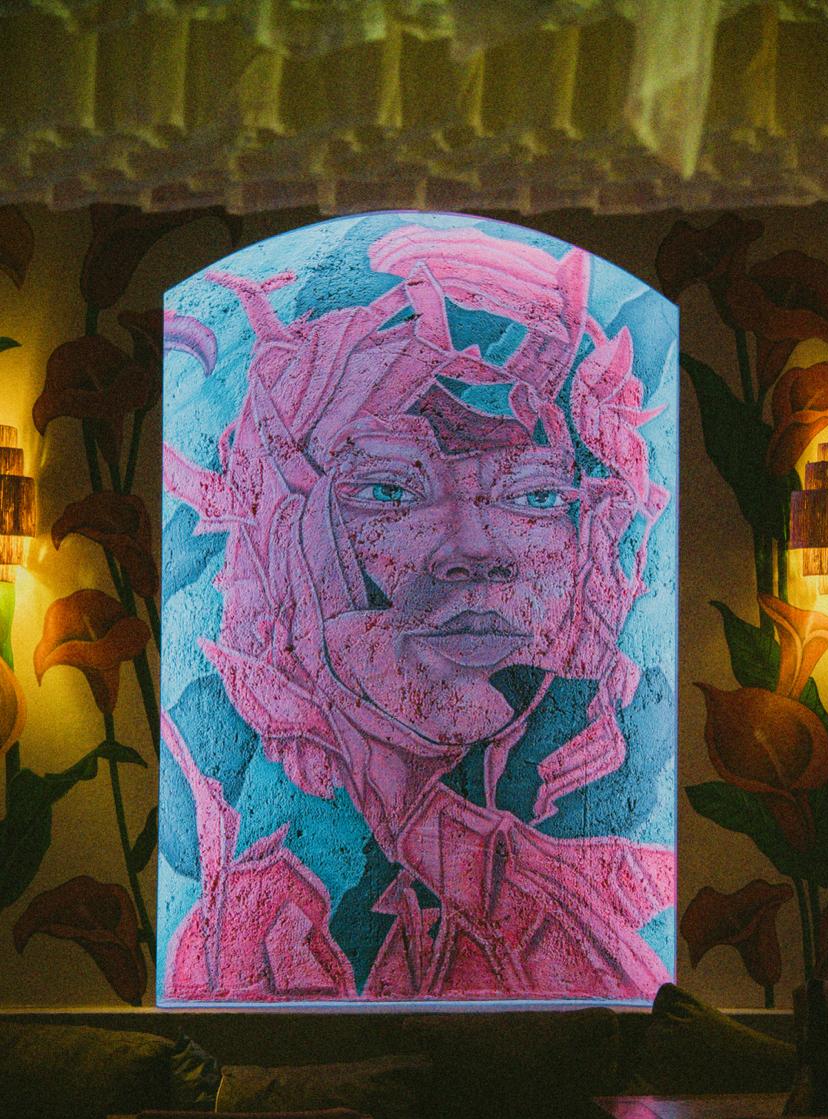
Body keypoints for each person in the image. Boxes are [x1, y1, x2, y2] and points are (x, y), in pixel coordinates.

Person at [162, 217, 675, 1002]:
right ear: (280, 537)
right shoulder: (251, 911)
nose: (475, 551)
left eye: (536, 497)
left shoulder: (601, 897)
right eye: (389, 490)